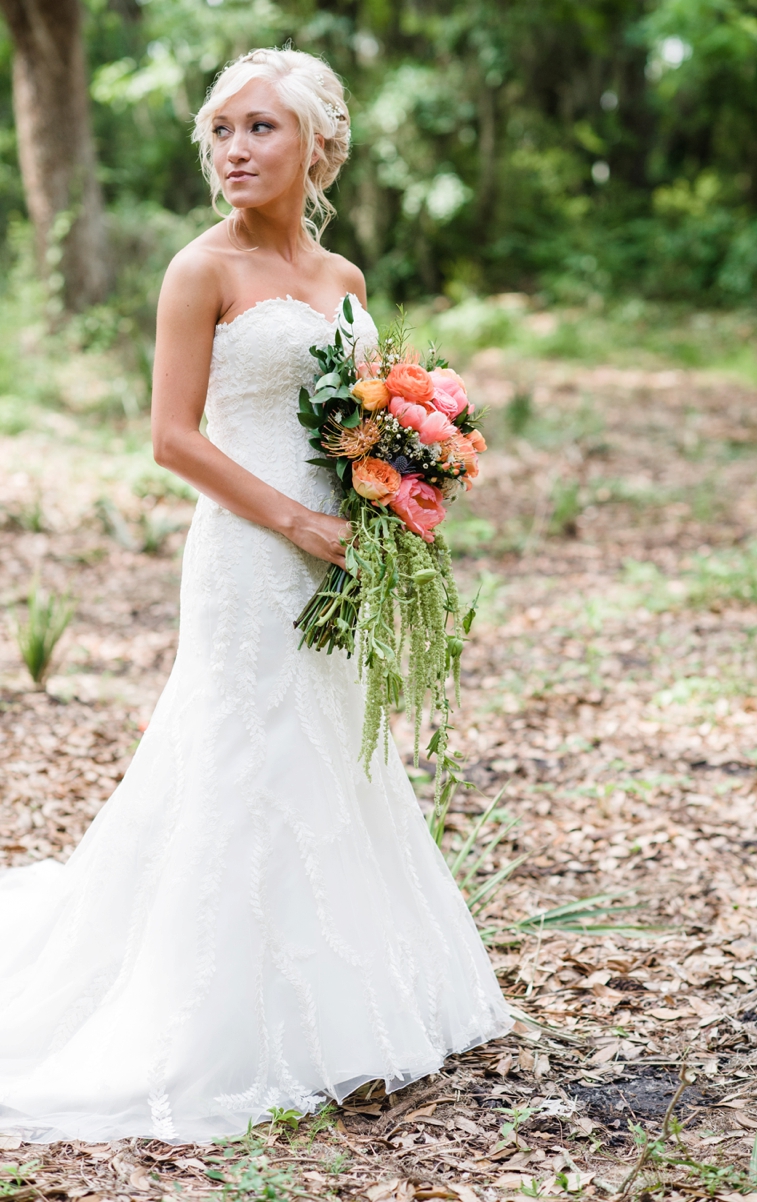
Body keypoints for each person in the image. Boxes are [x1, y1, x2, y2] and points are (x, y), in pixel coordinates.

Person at [0, 47, 510, 1144]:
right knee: (242, 745)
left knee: (330, 743)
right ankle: (224, 1010)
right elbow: (169, 437)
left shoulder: (345, 281)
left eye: (259, 129)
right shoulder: (201, 271)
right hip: (246, 549)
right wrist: (297, 522)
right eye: (221, 129)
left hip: (337, 546)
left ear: (316, 145)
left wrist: (398, 492)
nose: (233, 149)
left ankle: (343, 993)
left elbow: (356, 416)